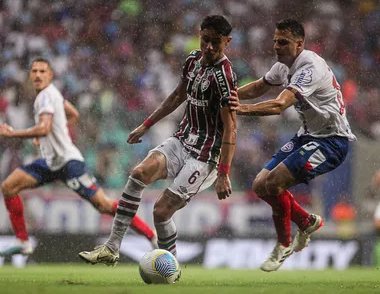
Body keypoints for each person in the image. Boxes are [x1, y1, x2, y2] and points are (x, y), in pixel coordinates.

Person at [78, 15, 237, 267]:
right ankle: (111, 248)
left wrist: (224, 173)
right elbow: (176, 96)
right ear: (199, 34)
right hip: (182, 139)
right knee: (139, 173)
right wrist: (146, 125)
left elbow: (231, 128)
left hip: (204, 156)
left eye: (215, 43)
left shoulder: (225, 76)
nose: (208, 47)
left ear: (227, 42)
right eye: (205, 40)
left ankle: (170, 266)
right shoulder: (193, 60)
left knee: (161, 212)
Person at [229, 19, 356, 272]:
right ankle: (306, 220)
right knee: (259, 186)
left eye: (283, 42)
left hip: (332, 141)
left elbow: (278, 106)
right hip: (307, 136)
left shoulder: (309, 67)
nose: (276, 46)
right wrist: (228, 93)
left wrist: (237, 109)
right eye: (275, 40)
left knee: (274, 183)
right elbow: (258, 87)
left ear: (300, 44)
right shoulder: (282, 66)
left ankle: (283, 244)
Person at [0, 58, 158, 257]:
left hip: (68, 163)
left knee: (104, 205)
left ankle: (151, 235)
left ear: (50, 75)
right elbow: (73, 114)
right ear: (30, 75)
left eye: (42, 71)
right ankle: (23, 242)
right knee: (9, 187)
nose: (38, 75)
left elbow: (45, 127)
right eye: (35, 71)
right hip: (51, 162)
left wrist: (14, 133)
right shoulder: (53, 94)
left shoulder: (45, 98)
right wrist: (50, 136)